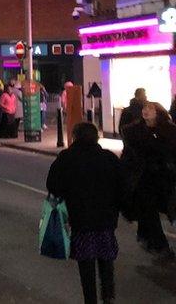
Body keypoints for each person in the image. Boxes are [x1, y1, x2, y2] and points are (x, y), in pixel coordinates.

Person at [47, 122, 125, 304]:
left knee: (86, 262)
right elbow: (122, 186)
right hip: (106, 220)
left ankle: (90, 299)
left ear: (75, 137)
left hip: (81, 220)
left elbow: (53, 186)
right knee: (106, 260)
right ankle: (108, 296)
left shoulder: (67, 158)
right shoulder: (108, 158)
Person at [121, 101, 176, 258]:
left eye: (150, 108)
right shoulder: (133, 132)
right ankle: (160, 245)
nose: (146, 111)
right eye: (145, 108)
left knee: (156, 209)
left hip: (164, 177)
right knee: (148, 208)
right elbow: (129, 155)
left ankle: (145, 236)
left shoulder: (169, 130)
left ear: (158, 112)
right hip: (143, 177)